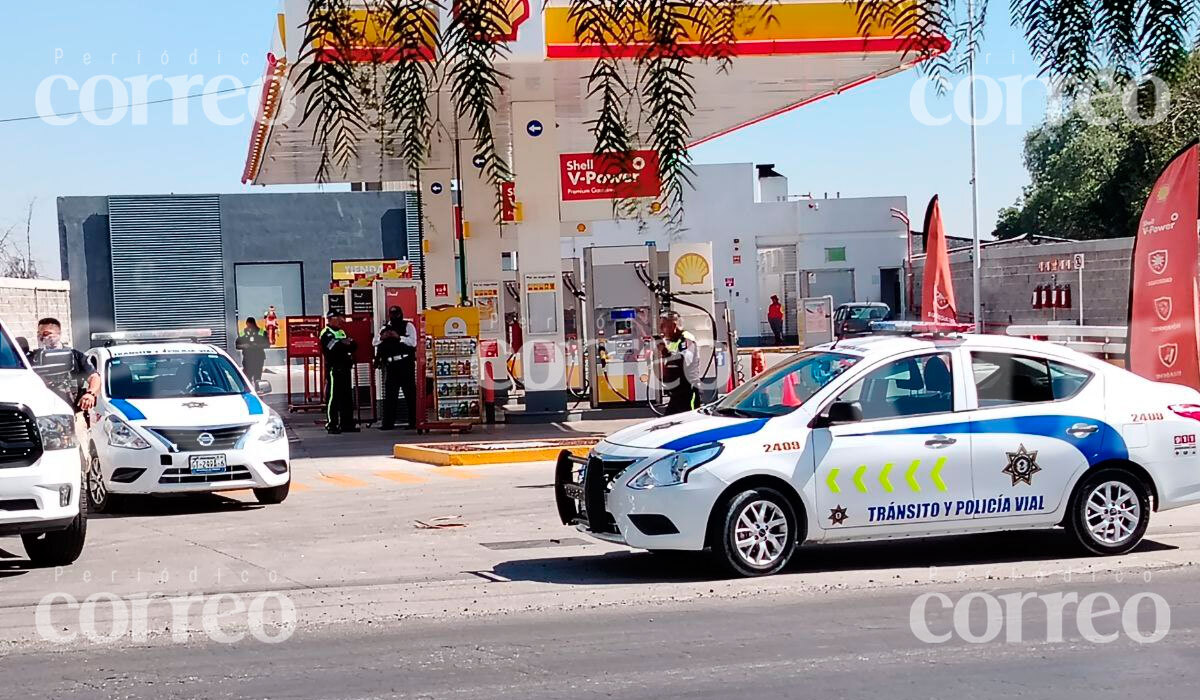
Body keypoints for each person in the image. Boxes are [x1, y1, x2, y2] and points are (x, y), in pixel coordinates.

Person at [28, 317, 101, 417]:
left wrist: (90, 394)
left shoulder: (76, 356)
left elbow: (94, 377)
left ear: (58, 334)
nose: (42, 338)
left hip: (73, 412)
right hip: (43, 413)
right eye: (39, 334)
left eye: (46, 334)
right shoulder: (32, 359)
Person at [374, 305, 418, 430]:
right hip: (391, 365)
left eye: (396, 314)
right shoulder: (385, 328)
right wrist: (384, 337)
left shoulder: (407, 326)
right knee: (390, 395)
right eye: (392, 314)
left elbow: (413, 342)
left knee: (410, 394)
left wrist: (399, 337)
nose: (394, 316)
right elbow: (375, 342)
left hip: (405, 363)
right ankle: (388, 423)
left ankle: (413, 422)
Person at [655, 310, 701, 415]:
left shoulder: (686, 338)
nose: (661, 329)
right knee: (669, 423)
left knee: (690, 422)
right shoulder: (673, 341)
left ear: (673, 325)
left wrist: (665, 352)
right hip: (676, 392)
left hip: (688, 390)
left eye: (663, 326)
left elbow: (685, 360)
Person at [320, 310, 358, 434]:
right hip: (334, 369)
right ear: (330, 319)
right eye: (337, 318)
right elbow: (333, 348)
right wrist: (344, 343)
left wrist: (344, 343)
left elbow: (353, 345)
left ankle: (347, 424)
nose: (340, 320)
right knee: (333, 397)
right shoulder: (326, 333)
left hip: (346, 368)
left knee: (347, 397)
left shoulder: (341, 332)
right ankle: (332, 424)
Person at [235, 317, 269, 384]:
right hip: (248, 358)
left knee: (257, 377)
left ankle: (258, 389)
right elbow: (237, 345)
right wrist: (245, 346)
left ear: (254, 324)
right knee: (248, 377)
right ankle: (249, 389)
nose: (249, 326)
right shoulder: (242, 333)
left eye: (251, 325)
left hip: (258, 358)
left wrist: (257, 345)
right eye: (248, 325)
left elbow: (267, 344)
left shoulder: (261, 332)